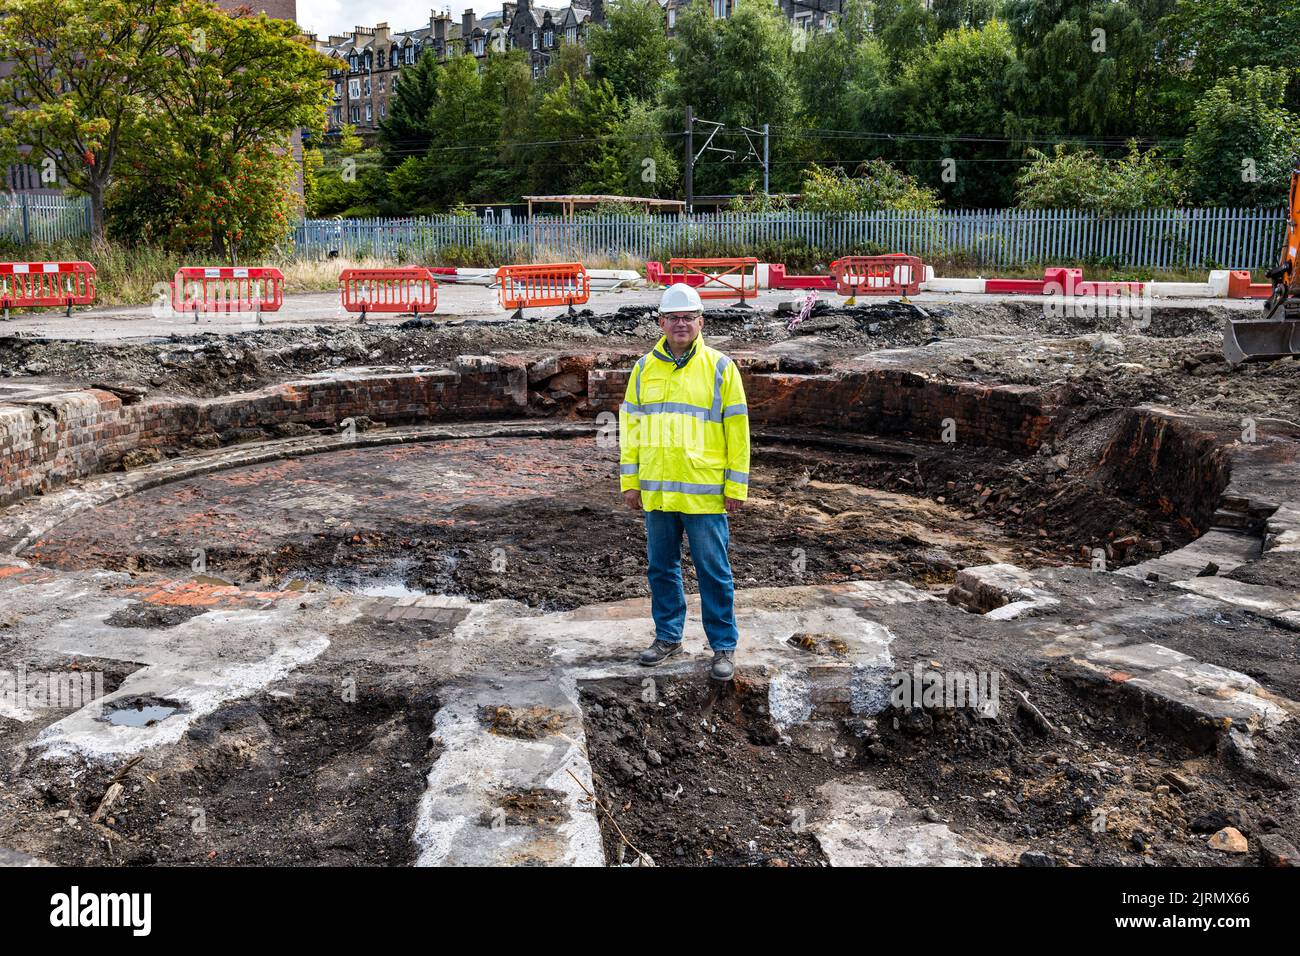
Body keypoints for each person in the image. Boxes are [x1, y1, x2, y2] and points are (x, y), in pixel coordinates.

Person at [618, 282, 750, 681]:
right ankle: (668, 637)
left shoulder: (721, 368)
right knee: (661, 568)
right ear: (661, 322)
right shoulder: (643, 369)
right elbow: (632, 428)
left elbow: (738, 432)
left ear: (700, 321)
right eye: (674, 317)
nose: (681, 324)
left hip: (705, 493)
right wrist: (630, 481)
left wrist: (736, 486)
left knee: (714, 570)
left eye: (688, 317)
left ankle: (723, 646)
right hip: (657, 491)